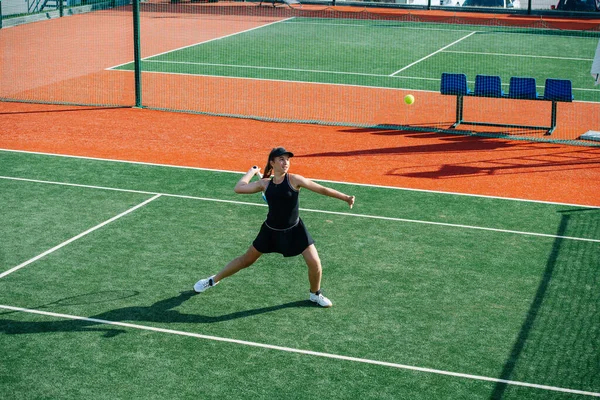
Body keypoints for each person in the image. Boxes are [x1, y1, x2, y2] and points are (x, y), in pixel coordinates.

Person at [193, 147, 355, 307]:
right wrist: (251, 171)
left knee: (315, 263)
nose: (286, 163)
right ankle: (213, 280)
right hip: (271, 231)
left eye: (288, 159)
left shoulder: (294, 180)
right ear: (272, 163)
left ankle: (315, 294)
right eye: (281, 159)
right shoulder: (265, 184)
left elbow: (322, 189)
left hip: (295, 230)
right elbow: (239, 188)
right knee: (245, 260)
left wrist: (345, 197)